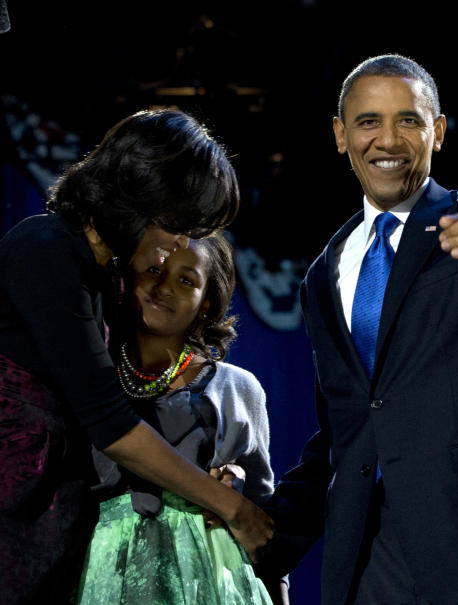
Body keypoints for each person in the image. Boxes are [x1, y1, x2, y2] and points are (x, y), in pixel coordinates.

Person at [255, 55, 458, 604]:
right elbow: (345, 427)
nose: (388, 139)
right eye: (368, 122)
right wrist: (266, 534)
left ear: (438, 131)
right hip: (369, 562)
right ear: (340, 135)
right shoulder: (322, 273)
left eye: (408, 120)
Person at [0, 109, 272, 605]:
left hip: (56, 529)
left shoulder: (104, 281)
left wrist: (214, 470)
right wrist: (234, 509)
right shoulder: (44, 250)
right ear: (139, 196)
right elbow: (112, 425)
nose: (179, 244)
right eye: (178, 223)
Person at [75, 234, 281, 604]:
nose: (163, 287)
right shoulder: (86, 379)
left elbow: (262, 520)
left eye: (186, 280)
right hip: (101, 578)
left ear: (206, 304)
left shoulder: (238, 387)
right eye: (154, 269)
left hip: (213, 580)